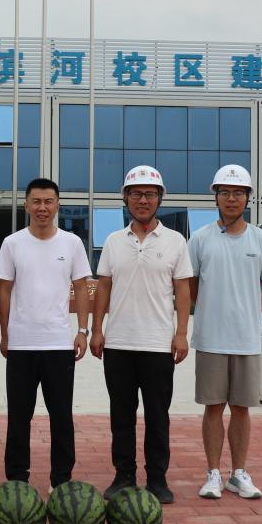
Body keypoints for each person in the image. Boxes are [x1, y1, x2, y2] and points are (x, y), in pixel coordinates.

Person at [90, 166, 192, 504]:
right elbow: (103, 287)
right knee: (121, 416)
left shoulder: (176, 241)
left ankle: (158, 479)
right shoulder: (114, 241)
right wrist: (97, 329)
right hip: (118, 343)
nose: (143, 200)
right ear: (126, 199)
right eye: (136, 194)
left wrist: (181, 333)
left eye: (149, 194)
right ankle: (123, 475)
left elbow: (183, 290)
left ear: (160, 199)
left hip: (158, 344)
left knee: (157, 416)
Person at [189, 165, 262, 500]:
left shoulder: (261, 240)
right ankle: (213, 473)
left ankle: (238, 473)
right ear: (215, 197)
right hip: (210, 337)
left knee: (241, 408)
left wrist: (251, 314)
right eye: (225, 192)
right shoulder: (200, 239)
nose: (231, 198)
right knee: (213, 407)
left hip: (246, 340)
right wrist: (210, 309)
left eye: (238, 192)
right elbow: (191, 285)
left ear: (247, 198)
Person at [0, 178, 91, 490]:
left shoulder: (72, 243)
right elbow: (4, 290)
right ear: (26, 205)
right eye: (36, 201)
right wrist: (5, 334)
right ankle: (17, 479)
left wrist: (82, 330)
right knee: (18, 417)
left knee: (61, 416)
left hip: (59, 344)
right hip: (21, 345)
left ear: (57, 205)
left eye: (48, 201)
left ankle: (61, 480)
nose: (42, 207)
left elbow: (81, 287)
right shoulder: (12, 243)